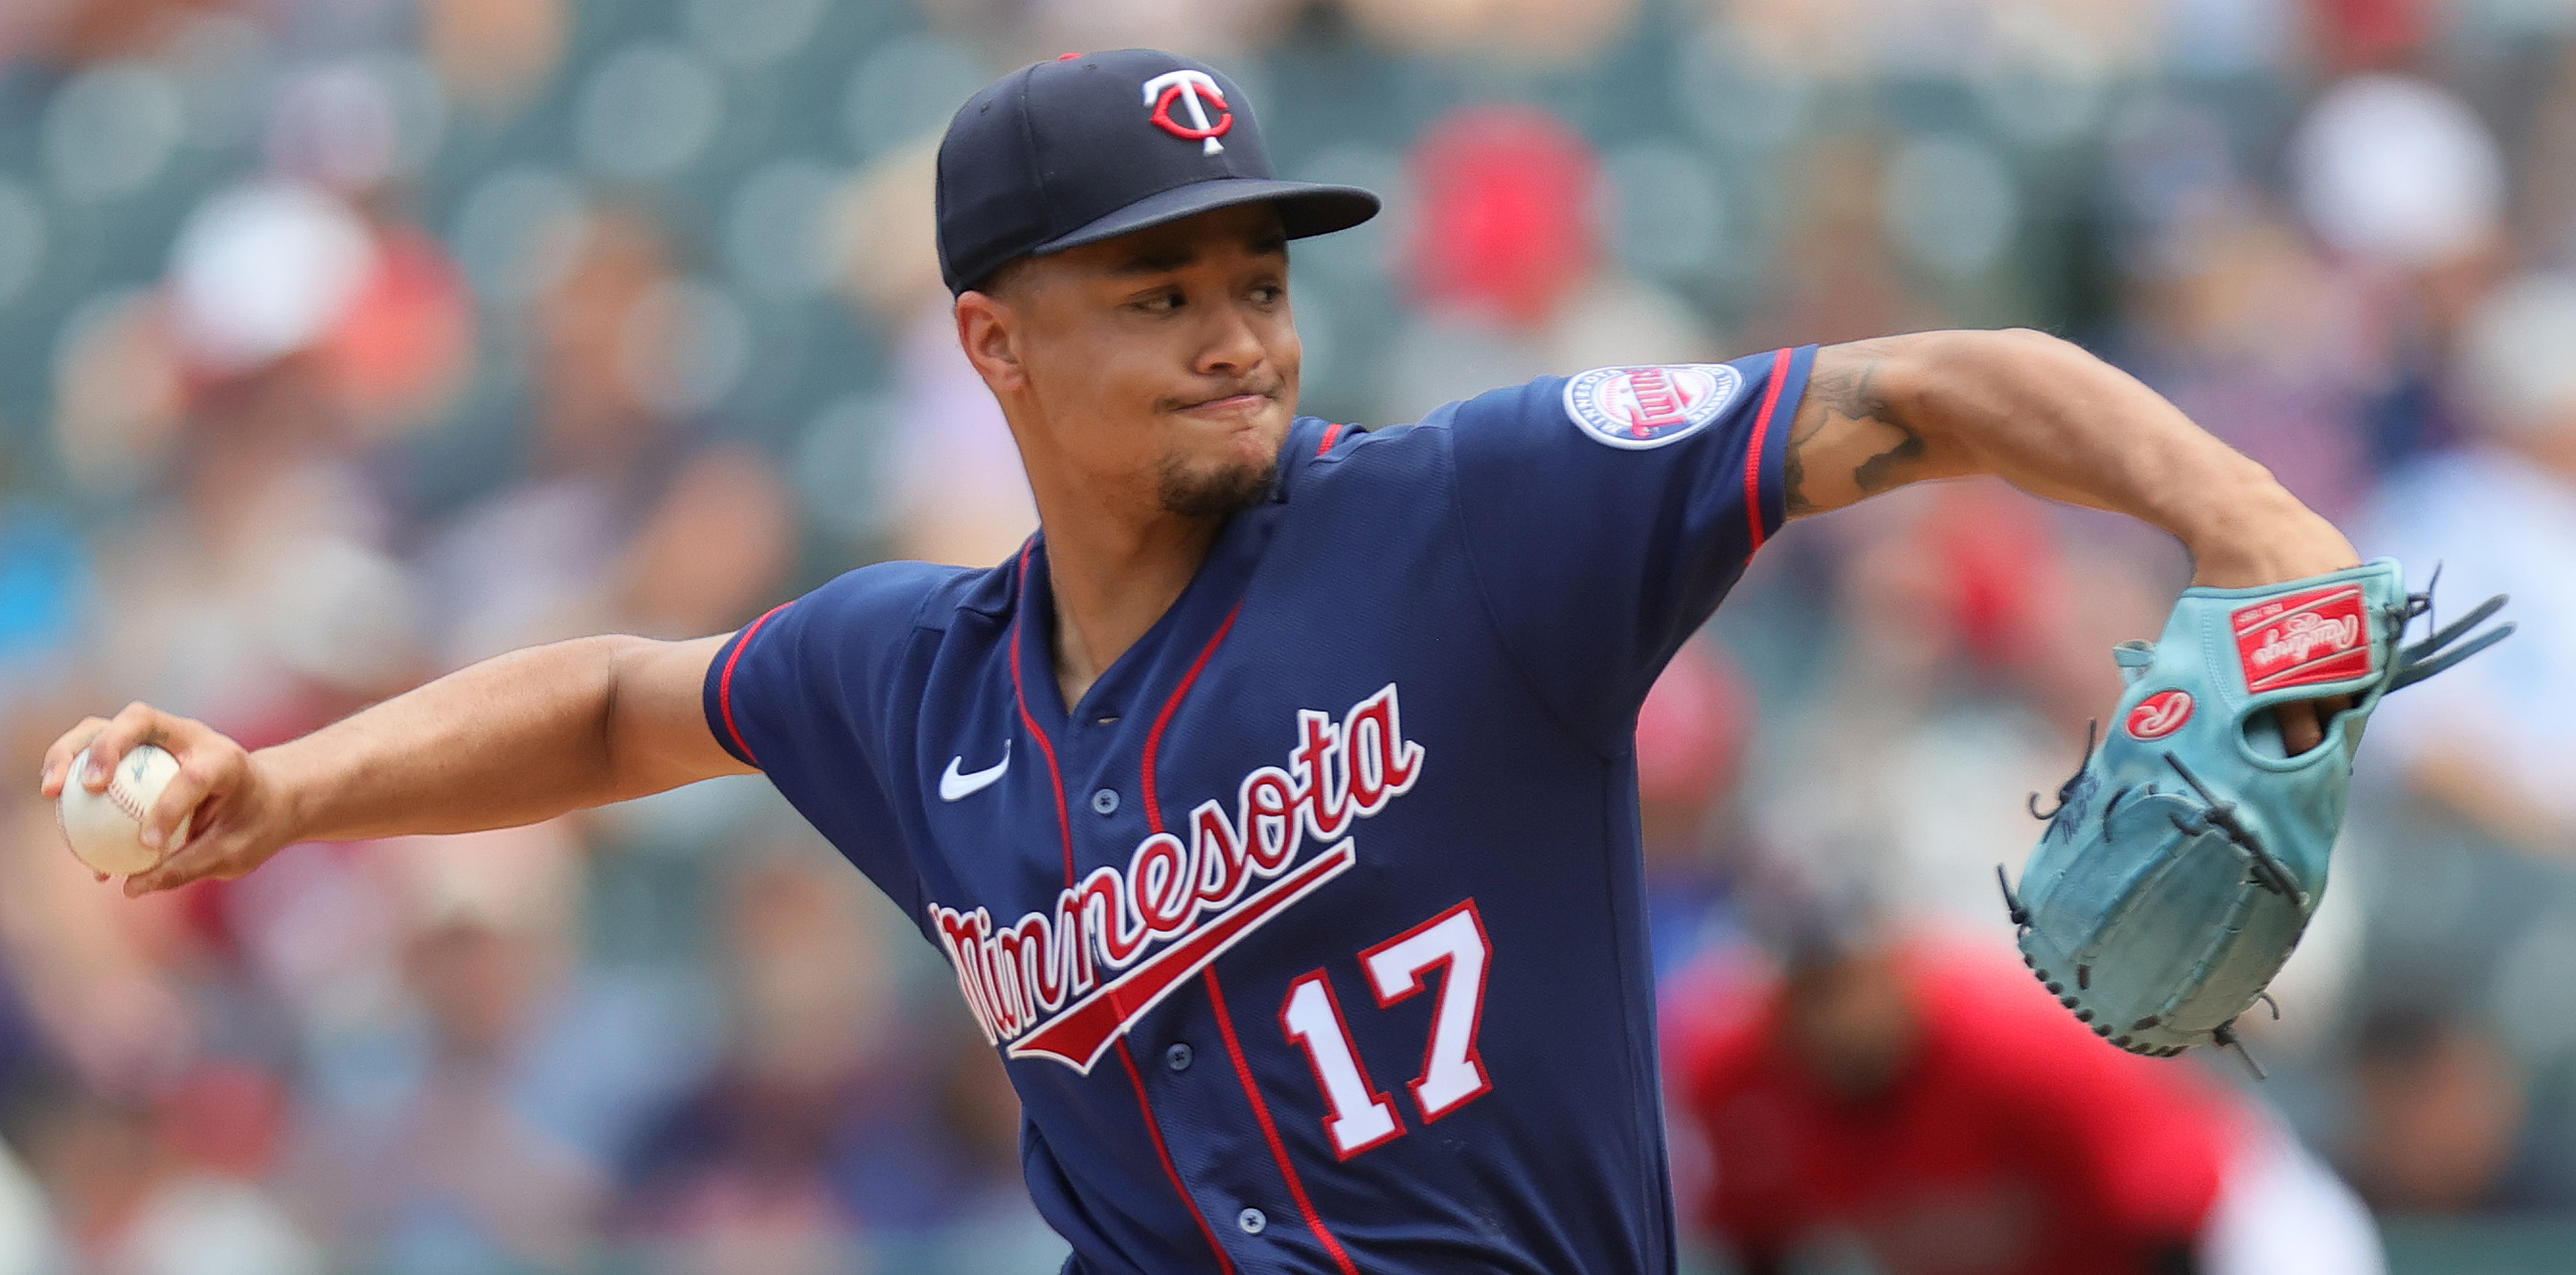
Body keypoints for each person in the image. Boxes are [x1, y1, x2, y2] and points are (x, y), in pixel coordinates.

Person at [43, 49, 2361, 1275]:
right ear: (990, 339)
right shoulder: (912, 685)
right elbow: (632, 699)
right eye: (1157, 292)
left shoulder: (1476, 519)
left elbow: (1925, 386)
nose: (1237, 329)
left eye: (1257, 275)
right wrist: (291, 787)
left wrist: (2256, 535)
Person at [1664, 930, 2384, 1275]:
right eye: (1810, 989)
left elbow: (2171, 1214)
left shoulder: (2009, 1039)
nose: (1835, 1012)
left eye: (1846, 978)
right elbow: (1754, 1243)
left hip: (2239, 1223)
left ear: (1892, 964)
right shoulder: (1737, 1076)